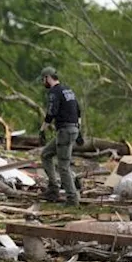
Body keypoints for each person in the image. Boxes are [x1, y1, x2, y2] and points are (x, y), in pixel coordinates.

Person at [39, 66, 83, 204]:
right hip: (72, 129)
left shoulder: (54, 92)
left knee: (63, 166)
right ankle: (53, 188)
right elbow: (78, 110)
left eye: (43, 79)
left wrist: (42, 130)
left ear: (48, 77)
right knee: (46, 154)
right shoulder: (67, 90)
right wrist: (79, 130)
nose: (43, 82)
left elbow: (51, 111)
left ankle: (72, 198)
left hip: (65, 131)